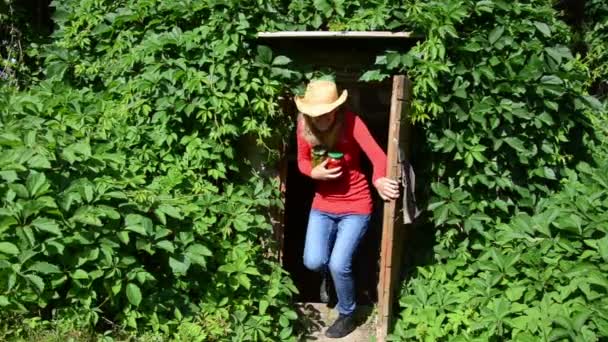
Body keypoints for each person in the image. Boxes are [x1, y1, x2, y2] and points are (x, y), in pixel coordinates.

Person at [295, 79, 400, 338]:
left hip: (356, 204)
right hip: (322, 205)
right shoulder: (303, 126)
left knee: (340, 263)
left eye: (326, 112)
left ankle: (347, 313)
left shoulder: (351, 122)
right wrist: (313, 172)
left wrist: (378, 180)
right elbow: (301, 161)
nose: (320, 119)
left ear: (336, 108)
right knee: (313, 261)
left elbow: (378, 156)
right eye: (315, 114)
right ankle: (329, 279)